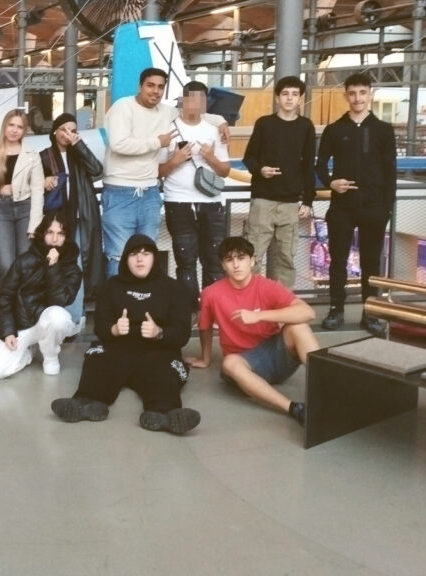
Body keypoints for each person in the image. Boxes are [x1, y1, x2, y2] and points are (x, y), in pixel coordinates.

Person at [51, 234, 199, 434]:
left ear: (154, 258)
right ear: (125, 259)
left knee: (166, 369)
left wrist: (159, 332)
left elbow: (182, 334)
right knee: (97, 357)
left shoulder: (173, 288)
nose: (140, 259)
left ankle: (164, 413)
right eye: (134, 254)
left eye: (146, 254)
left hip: (158, 351)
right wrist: (114, 329)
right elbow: (100, 327)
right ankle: (87, 403)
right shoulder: (111, 286)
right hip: (118, 349)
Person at [101, 67, 227, 276]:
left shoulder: (166, 111)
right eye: (150, 85)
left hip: (150, 193)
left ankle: (142, 296)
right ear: (140, 86)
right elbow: (118, 144)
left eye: (160, 87)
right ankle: (118, 297)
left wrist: (221, 121)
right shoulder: (122, 107)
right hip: (119, 190)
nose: (155, 91)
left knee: (147, 254)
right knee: (118, 254)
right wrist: (157, 142)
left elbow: (194, 111)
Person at [187, 236, 319, 426]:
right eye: (229, 260)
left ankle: (328, 386)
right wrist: (205, 358)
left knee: (299, 327)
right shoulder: (211, 293)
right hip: (245, 363)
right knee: (229, 363)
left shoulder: (267, 286)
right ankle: (295, 409)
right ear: (223, 265)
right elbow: (205, 326)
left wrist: (259, 316)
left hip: (275, 354)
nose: (236, 265)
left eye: (241, 258)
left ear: (252, 261)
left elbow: (308, 312)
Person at [316, 72, 396, 336]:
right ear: (346, 96)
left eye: (362, 92)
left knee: (371, 263)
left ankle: (370, 314)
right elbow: (319, 165)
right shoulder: (334, 130)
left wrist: (387, 208)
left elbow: (390, 171)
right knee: (337, 261)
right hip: (342, 207)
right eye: (352, 93)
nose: (357, 98)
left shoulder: (384, 130)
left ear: (370, 94)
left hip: (374, 207)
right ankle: (335, 310)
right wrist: (331, 183)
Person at [157, 81, 230, 308]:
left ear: (205, 103)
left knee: (214, 260)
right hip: (177, 202)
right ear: (183, 100)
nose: (195, 104)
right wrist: (176, 160)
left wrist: (210, 158)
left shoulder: (214, 130)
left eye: (201, 99)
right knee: (185, 260)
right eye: (191, 98)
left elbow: (225, 171)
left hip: (211, 202)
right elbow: (158, 171)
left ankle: (211, 310)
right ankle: (187, 311)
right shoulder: (168, 130)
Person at [0, 212, 81, 379]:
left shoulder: (72, 269)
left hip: (47, 323)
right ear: (42, 234)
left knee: (59, 317)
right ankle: (28, 352)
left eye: (60, 234)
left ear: (66, 237)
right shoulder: (24, 261)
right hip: (21, 324)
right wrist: (8, 331)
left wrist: (53, 266)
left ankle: (50, 356)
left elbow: (59, 301)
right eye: (50, 232)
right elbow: (4, 297)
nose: (54, 239)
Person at [242, 75, 315, 289]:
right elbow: (249, 158)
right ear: (277, 98)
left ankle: (281, 303)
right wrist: (261, 169)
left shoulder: (305, 126)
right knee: (254, 256)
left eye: (294, 94)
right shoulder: (264, 124)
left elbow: (309, 165)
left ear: (300, 98)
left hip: (291, 203)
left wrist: (308, 200)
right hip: (263, 200)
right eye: (285, 94)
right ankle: (251, 300)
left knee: (286, 258)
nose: (289, 98)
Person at [39, 112, 104, 329]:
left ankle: (75, 317)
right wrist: (44, 181)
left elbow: (97, 170)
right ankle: (62, 316)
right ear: (54, 131)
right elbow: (34, 184)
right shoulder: (44, 156)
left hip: (80, 218)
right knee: (57, 265)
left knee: (76, 266)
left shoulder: (79, 153)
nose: (68, 134)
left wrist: (79, 145)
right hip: (56, 223)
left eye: (73, 130)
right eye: (64, 129)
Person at [0, 109, 44, 286]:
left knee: (25, 262)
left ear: (24, 130)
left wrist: (35, 225)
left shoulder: (32, 154)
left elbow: (38, 191)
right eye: (11, 125)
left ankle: (22, 301)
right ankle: (6, 302)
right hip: (0, 208)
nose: (14, 130)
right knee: (6, 263)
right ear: (4, 125)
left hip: (25, 208)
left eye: (19, 127)